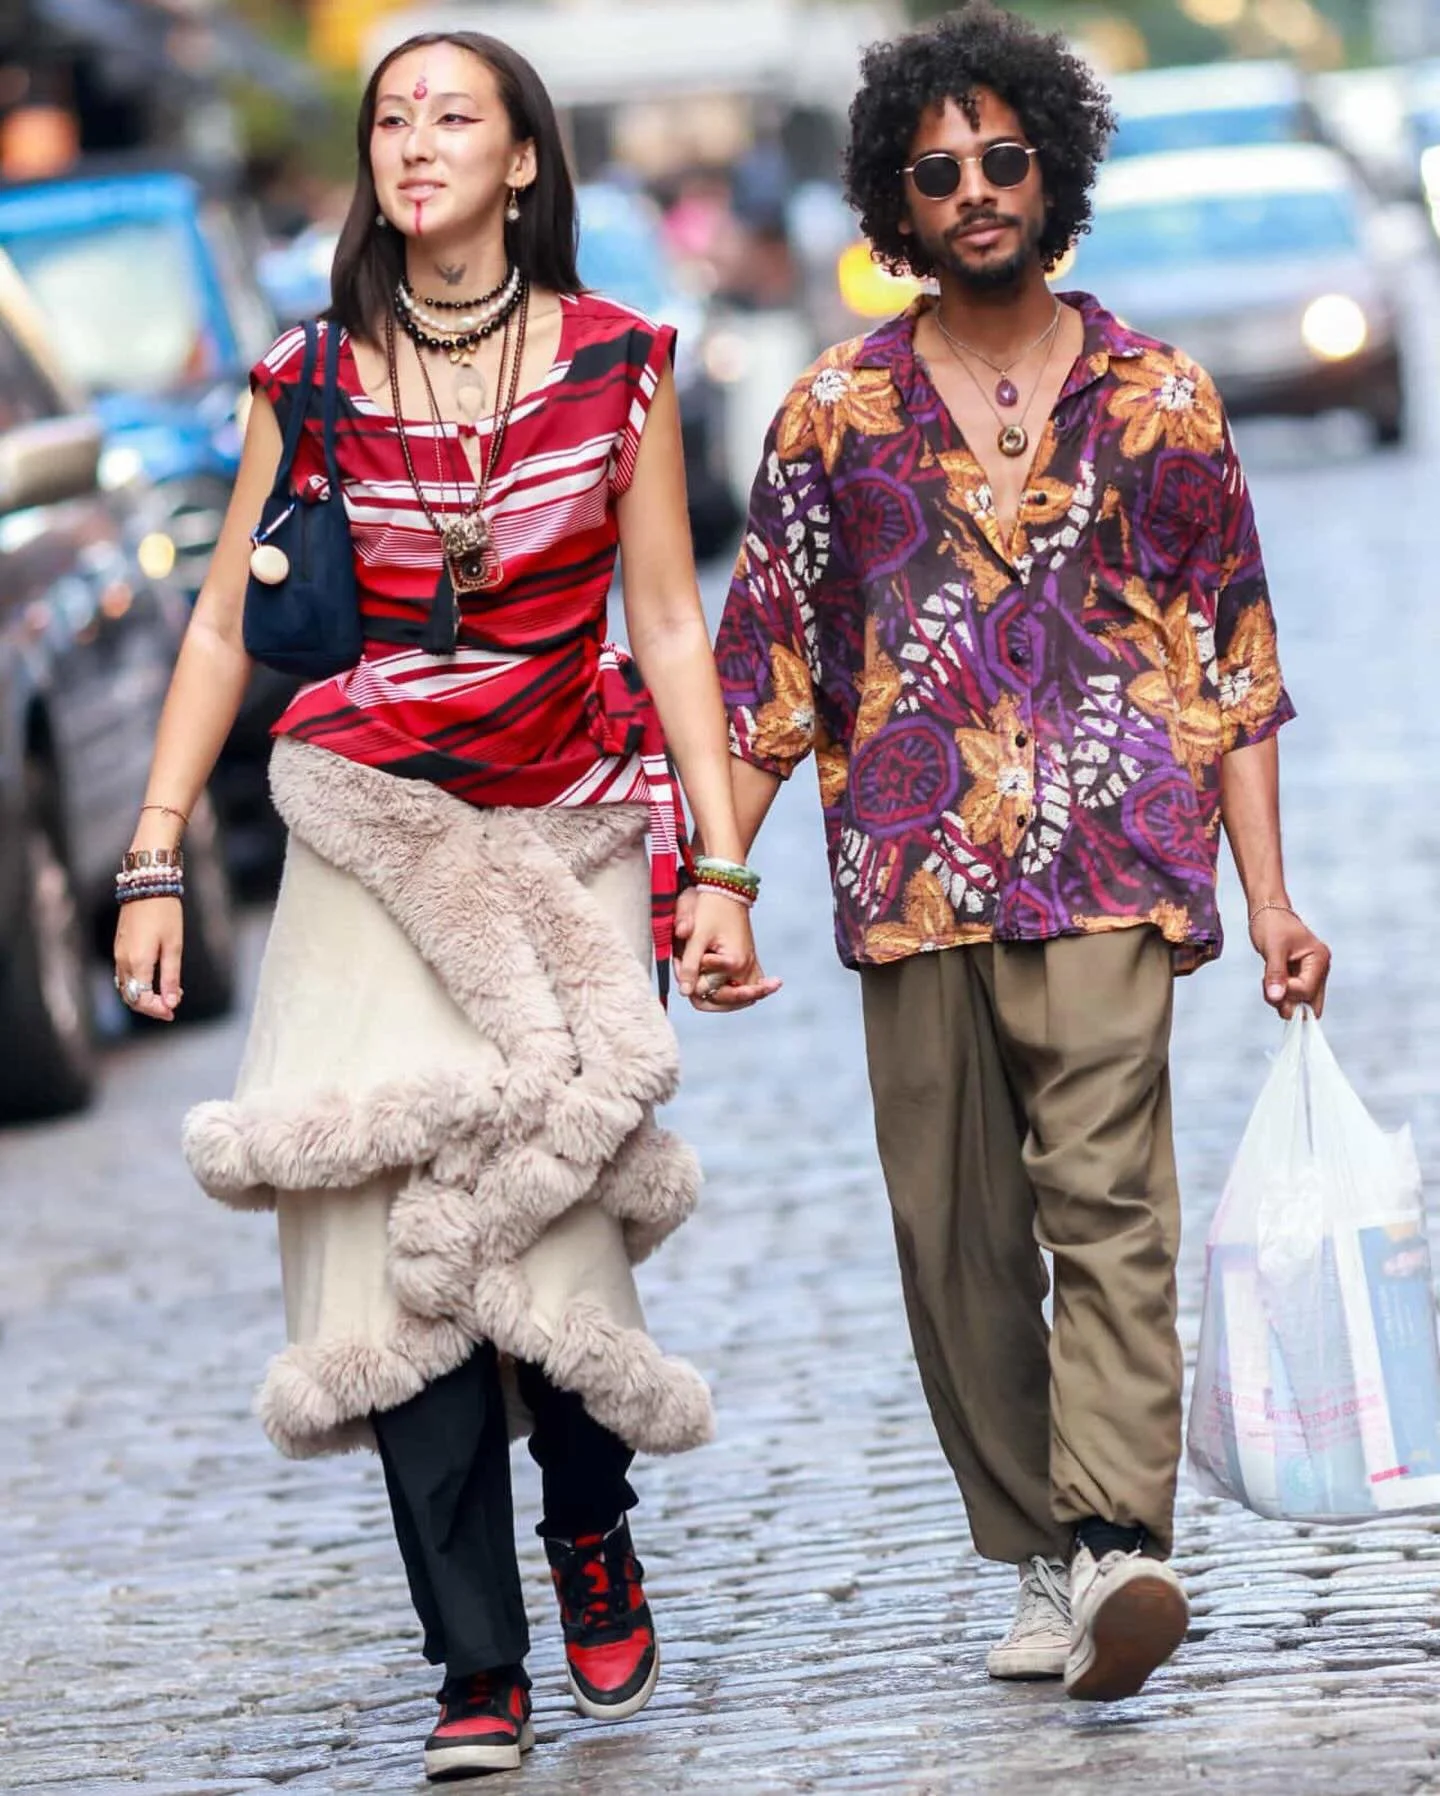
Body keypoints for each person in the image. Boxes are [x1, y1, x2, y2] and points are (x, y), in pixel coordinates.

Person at [113, 30, 777, 1783]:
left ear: (524, 162)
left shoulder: (620, 367)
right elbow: (215, 630)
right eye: (390, 119)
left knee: (548, 1215)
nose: (415, 144)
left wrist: (718, 863)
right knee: (370, 1203)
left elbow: (674, 627)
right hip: (359, 832)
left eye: (451, 117)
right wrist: (159, 848)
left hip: (561, 829)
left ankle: (590, 1518)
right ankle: (472, 1659)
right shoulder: (309, 379)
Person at [698, 5, 1330, 1703]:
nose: (974, 190)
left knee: (1110, 1201)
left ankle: (1122, 1540)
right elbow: (764, 665)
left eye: (1002, 159)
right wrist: (717, 877)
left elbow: (1237, 666)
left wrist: (1271, 896)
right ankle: (1043, 1562)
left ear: (1053, 174)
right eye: (937, 172)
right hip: (911, 875)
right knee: (957, 1233)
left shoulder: (1163, 399)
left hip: (1120, 855)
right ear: (893, 206)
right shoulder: (834, 412)